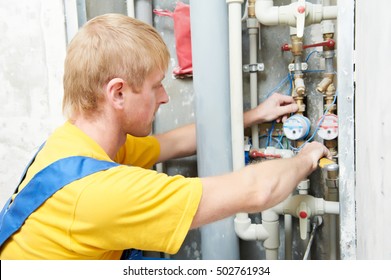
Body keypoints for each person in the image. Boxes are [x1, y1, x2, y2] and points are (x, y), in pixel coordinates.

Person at [0, 14, 331, 260]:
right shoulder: (101, 193)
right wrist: (307, 156)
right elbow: (258, 191)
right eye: (156, 84)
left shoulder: (76, 145)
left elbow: (172, 142)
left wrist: (256, 114)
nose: (164, 97)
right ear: (117, 93)